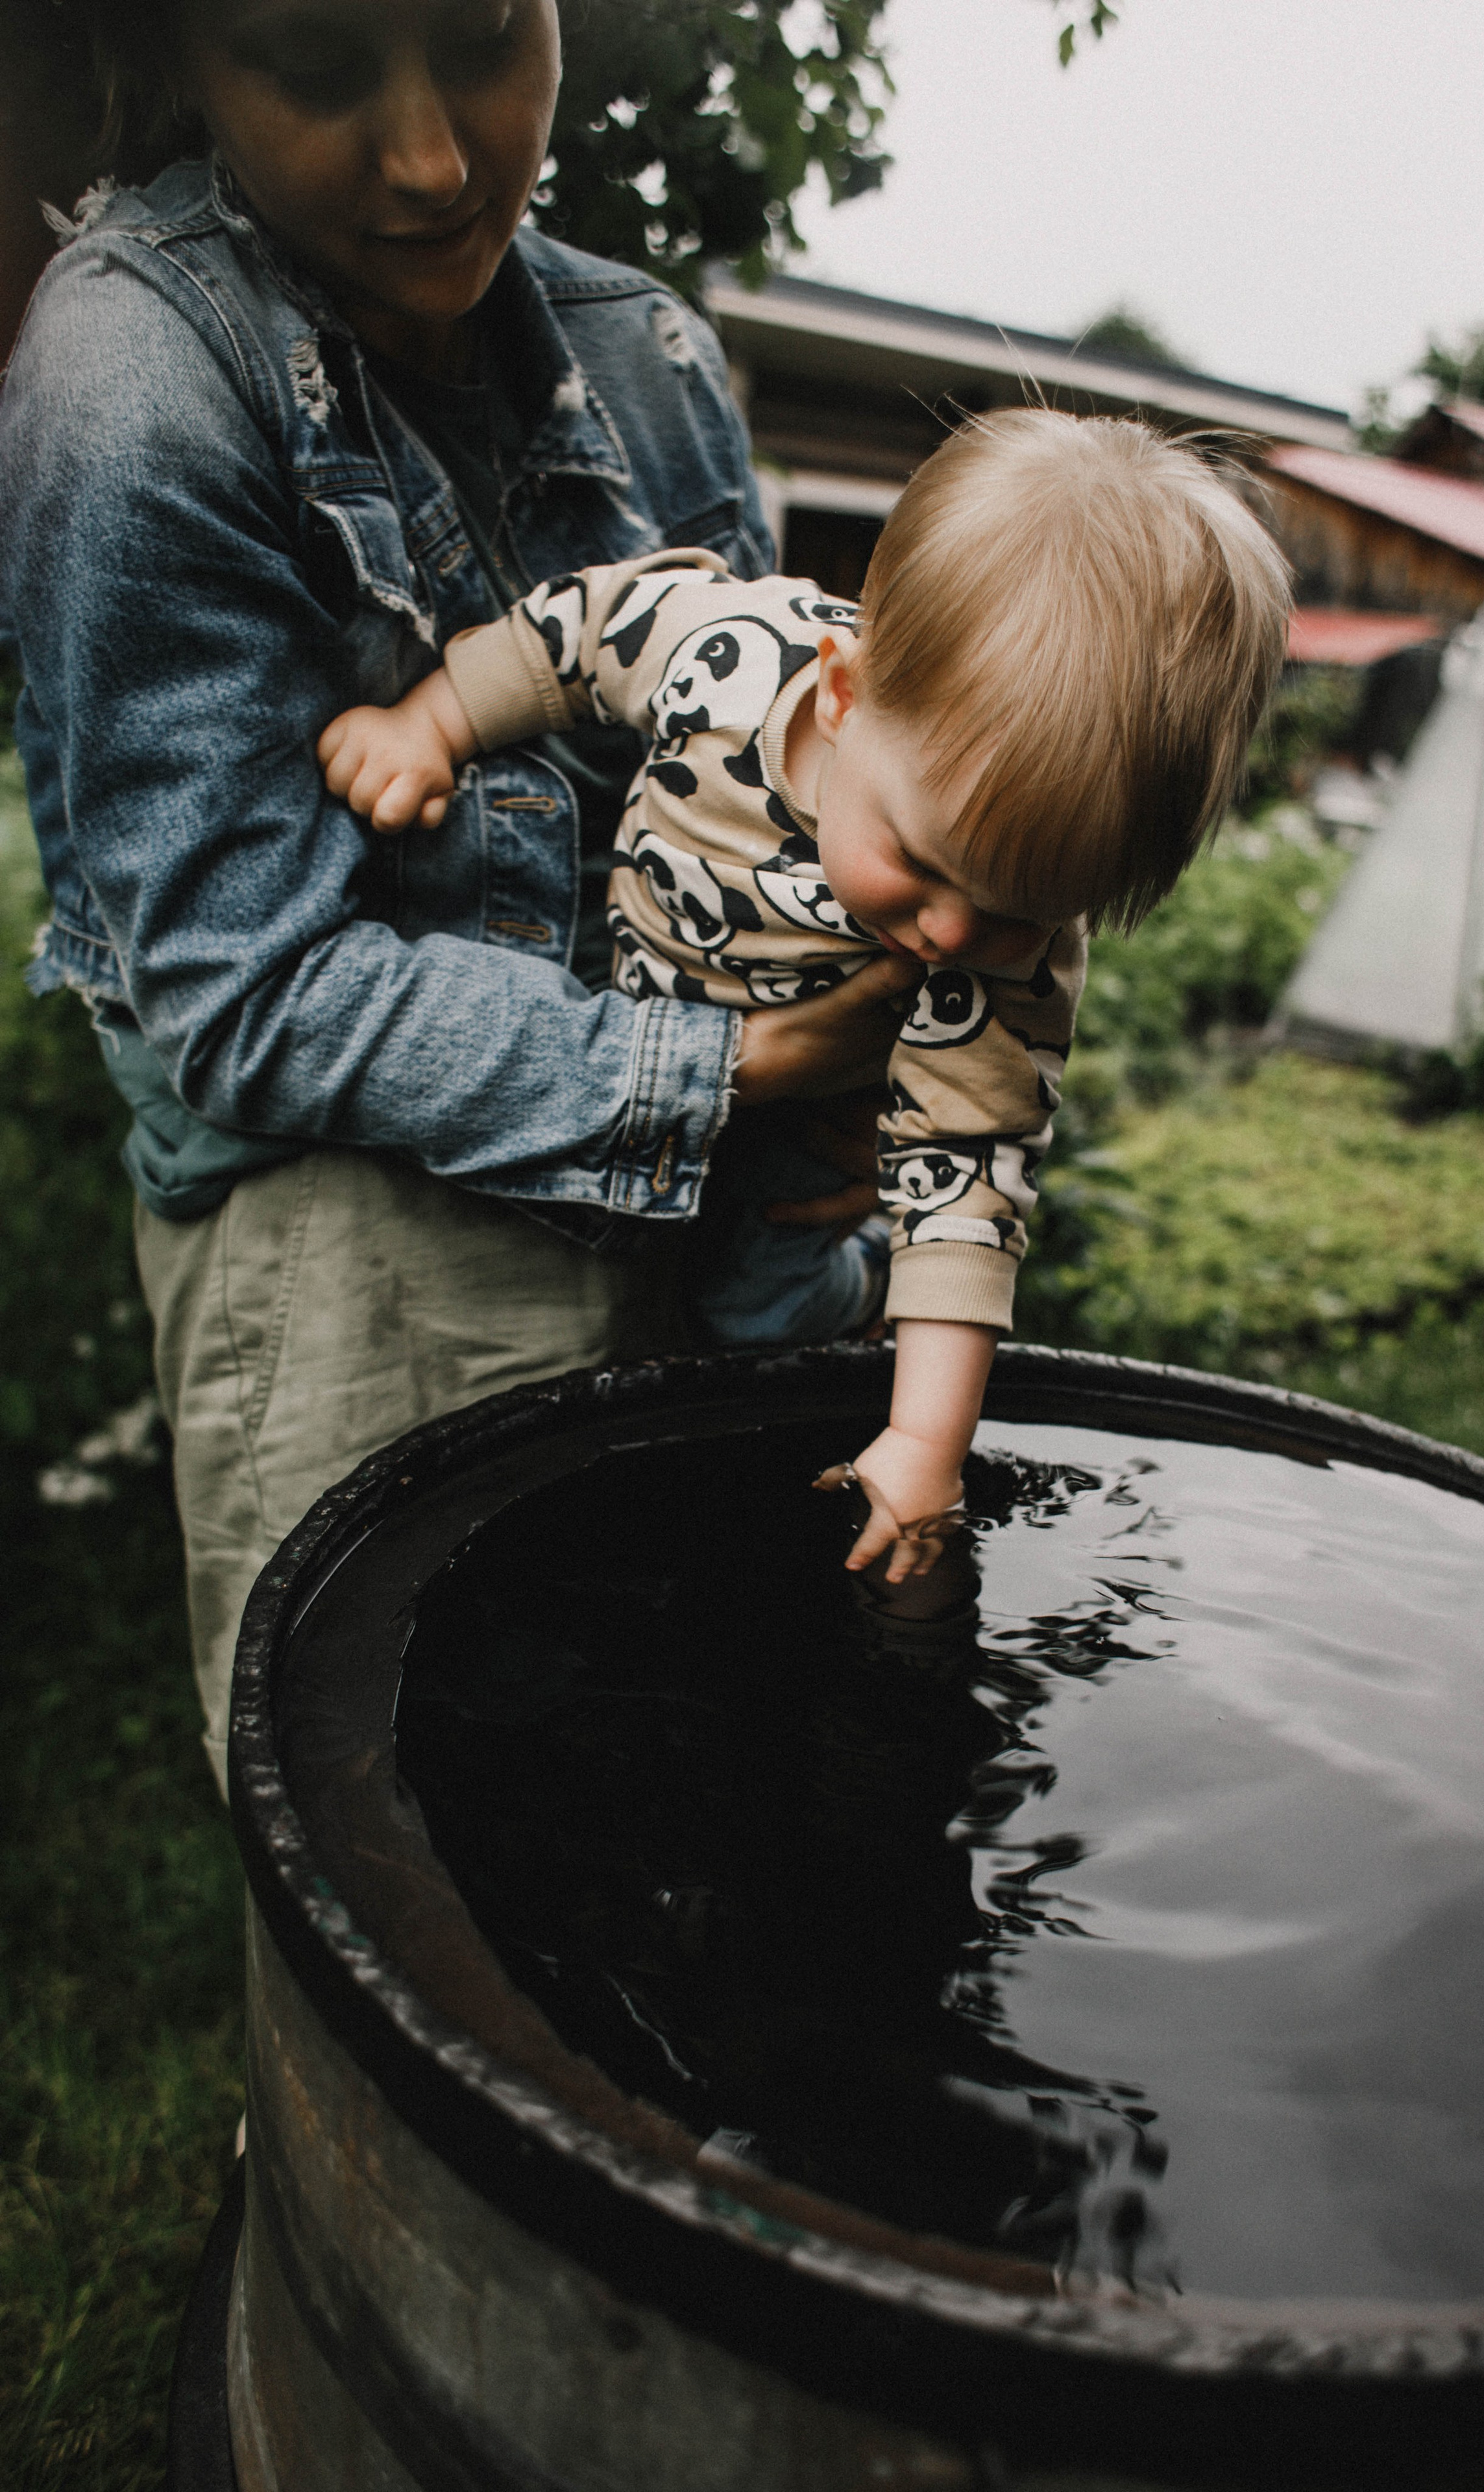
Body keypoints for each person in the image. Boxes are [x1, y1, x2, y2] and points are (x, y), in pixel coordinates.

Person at [0, 0, 915, 1796]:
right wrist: (726, 1073)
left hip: (698, 1203)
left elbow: (753, 788)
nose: (432, 157)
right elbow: (244, 992)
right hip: (362, 1266)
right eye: (319, 65)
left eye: (489, 36)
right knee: (411, 1883)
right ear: (187, 55)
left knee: (683, 1832)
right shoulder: (132, 376)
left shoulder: (647, 354)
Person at [318, 410, 1292, 1580]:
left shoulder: (1004, 955)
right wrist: (429, 724)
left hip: (807, 1132)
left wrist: (928, 1441)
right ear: (843, 691)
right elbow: (571, 641)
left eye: (1023, 909)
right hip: (641, 1027)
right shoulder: (727, 657)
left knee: (763, 1315)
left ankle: (860, 1295)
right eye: (924, 865)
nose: (949, 933)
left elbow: (971, 1176)